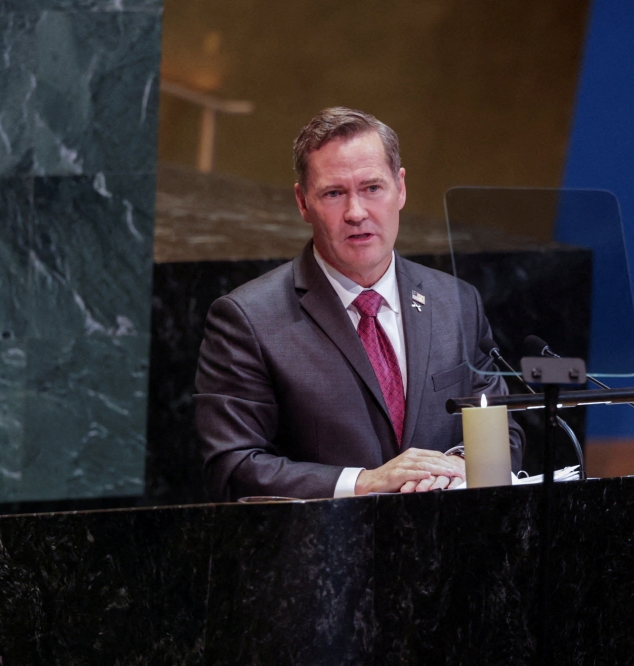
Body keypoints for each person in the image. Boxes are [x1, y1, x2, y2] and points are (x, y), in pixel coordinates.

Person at [195, 107, 524, 500]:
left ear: (400, 188)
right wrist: (364, 482)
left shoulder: (455, 302)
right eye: (334, 194)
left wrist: (456, 466)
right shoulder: (248, 318)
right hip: (323, 551)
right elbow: (233, 465)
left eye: (372, 188)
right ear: (303, 202)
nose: (356, 213)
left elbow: (505, 430)